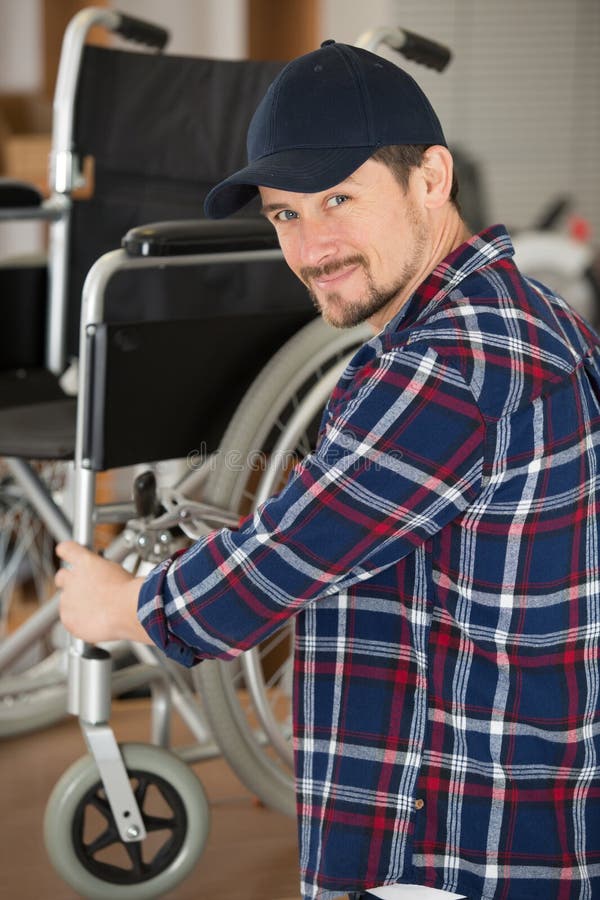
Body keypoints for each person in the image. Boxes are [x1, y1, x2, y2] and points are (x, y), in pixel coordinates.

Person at [56, 41, 600, 900]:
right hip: (519, 810)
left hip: (451, 848)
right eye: (285, 215)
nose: (313, 247)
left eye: (339, 199)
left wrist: (123, 604)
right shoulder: (535, 319)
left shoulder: (450, 363)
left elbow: (283, 558)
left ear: (431, 178)